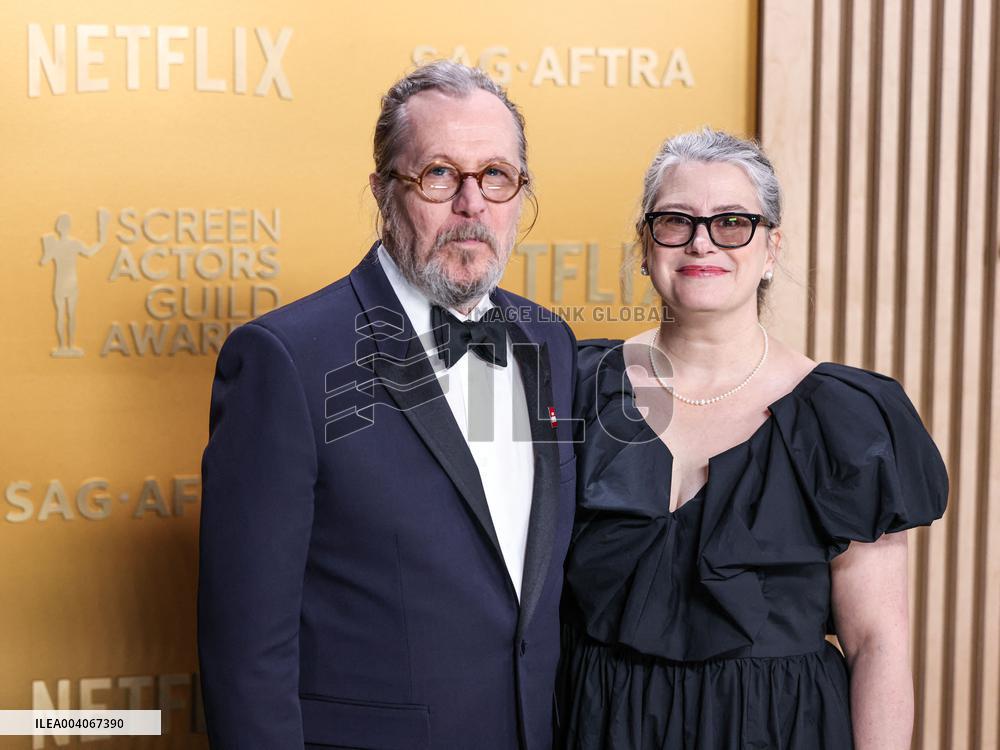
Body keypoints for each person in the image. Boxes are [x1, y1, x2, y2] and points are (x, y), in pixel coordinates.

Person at [198, 61, 578, 750]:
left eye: (496, 176)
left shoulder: (550, 341)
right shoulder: (285, 359)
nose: (472, 205)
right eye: (438, 174)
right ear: (382, 192)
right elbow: (245, 650)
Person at [557, 128, 948, 749]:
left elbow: (878, 643)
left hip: (777, 730)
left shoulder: (846, 417)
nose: (701, 241)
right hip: (593, 725)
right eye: (675, 221)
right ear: (645, 245)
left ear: (771, 249)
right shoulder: (576, 386)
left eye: (733, 222)